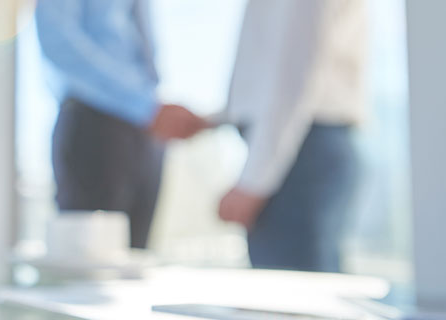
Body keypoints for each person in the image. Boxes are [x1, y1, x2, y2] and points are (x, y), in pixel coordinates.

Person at [35, 0, 205, 249]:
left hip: (145, 126)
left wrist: (149, 107)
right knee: (89, 265)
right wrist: (143, 106)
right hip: (96, 122)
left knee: (133, 260)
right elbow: (58, 40)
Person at [218, 0, 366, 272]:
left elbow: (294, 73)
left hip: (298, 150)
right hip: (302, 144)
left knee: (294, 301)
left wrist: (255, 180)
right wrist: (216, 118)